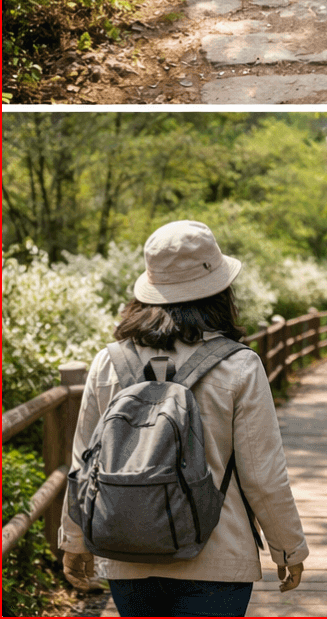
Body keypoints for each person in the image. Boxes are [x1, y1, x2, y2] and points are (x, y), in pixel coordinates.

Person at [60, 220, 308, 617]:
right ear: (220, 291)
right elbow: (262, 475)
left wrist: (74, 541)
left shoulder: (109, 362)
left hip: (126, 551)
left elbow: (82, 462)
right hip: (218, 557)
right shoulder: (239, 366)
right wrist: (288, 548)